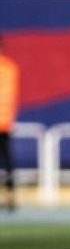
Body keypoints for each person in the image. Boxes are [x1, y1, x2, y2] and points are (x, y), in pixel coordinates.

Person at [0, 34, 17, 210]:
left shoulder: (8, 68)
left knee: (6, 162)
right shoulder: (10, 67)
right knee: (7, 162)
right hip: (6, 122)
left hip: (4, 122)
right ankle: (11, 196)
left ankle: (10, 195)